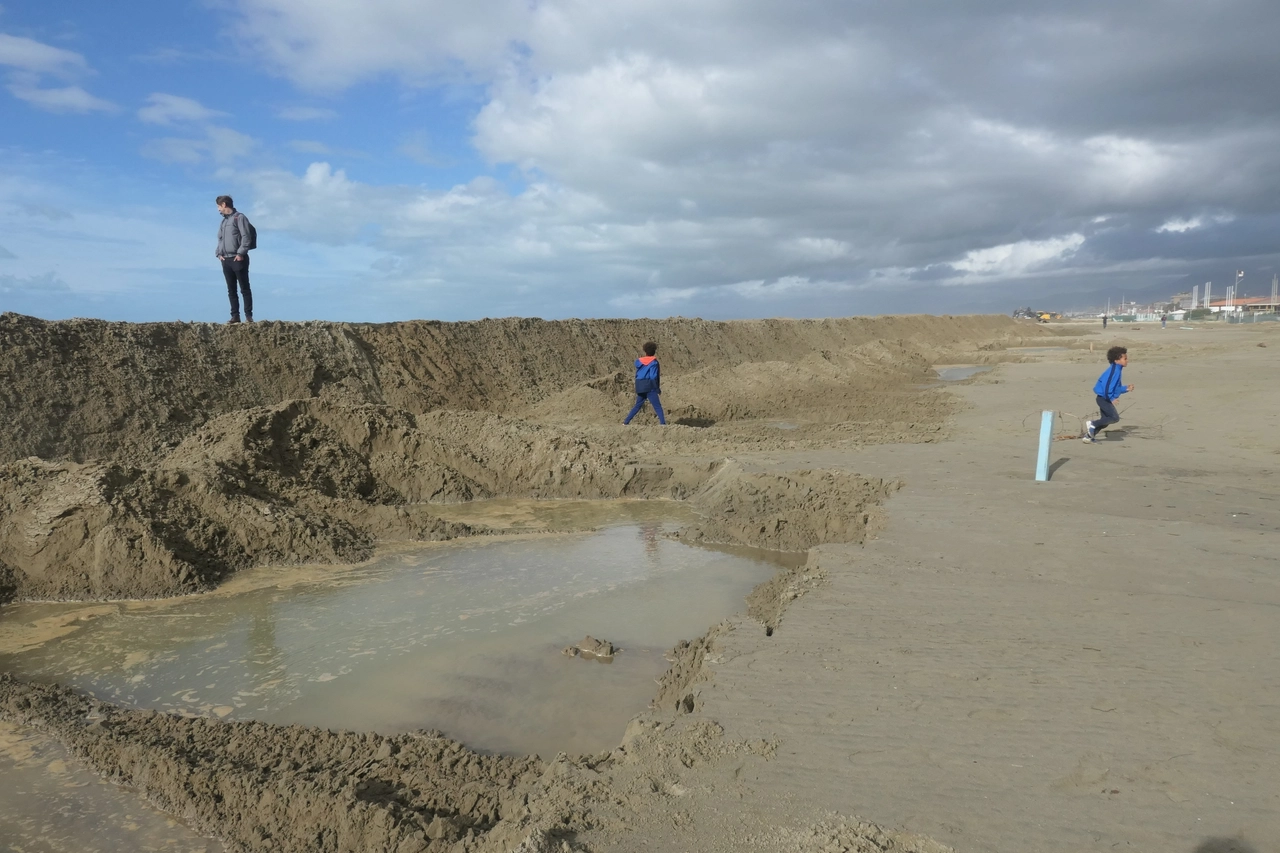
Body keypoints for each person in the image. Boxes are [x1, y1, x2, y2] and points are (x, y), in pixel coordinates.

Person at [1083, 346, 1133, 443]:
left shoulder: (1117, 370)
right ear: (1116, 360)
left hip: (1104, 398)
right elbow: (1106, 387)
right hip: (1103, 398)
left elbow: (1115, 388)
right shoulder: (1114, 370)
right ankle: (1092, 423)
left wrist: (1126, 388)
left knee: (1105, 421)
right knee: (1114, 418)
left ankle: (1088, 436)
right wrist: (1111, 398)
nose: (1127, 361)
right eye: (1125, 358)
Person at [216, 195, 254, 323]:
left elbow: (246, 236)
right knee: (231, 290)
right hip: (225, 260)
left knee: (244, 288)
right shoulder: (223, 222)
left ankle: (248, 316)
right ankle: (235, 316)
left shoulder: (240, 217)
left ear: (224, 204)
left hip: (238, 258)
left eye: (218, 206)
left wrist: (241, 253)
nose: (218, 209)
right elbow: (220, 239)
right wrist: (218, 253)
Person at [623, 341, 666, 425]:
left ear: (645, 351)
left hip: (639, 385)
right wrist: (657, 389)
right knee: (657, 406)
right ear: (654, 352)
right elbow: (653, 376)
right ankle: (663, 424)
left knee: (637, 405)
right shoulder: (654, 362)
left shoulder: (639, 361)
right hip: (649, 386)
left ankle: (625, 422)